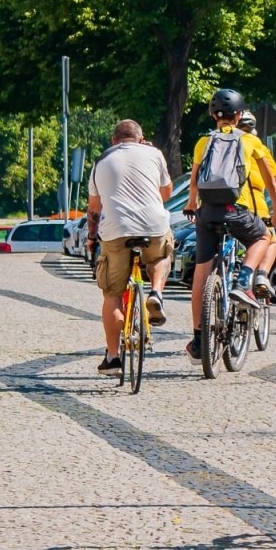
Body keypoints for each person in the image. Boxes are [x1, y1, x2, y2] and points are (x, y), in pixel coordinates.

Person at [184, 88, 276, 362]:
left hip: (208, 213)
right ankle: (244, 281)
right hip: (237, 208)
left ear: (212, 115)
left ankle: (198, 339)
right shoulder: (251, 142)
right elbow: (271, 181)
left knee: (201, 272)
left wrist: (191, 205)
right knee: (263, 237)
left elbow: (194, 181)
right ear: (240, 115)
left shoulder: (203, 141)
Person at [87, 120, 174, 374]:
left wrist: (92, 237)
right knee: (161, 255)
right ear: (141, 138)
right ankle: (156, 292)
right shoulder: (155, 154)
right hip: (153, 226)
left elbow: (95, 209)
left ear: (114, 140)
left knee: (112, 294)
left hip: (116, 231)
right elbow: (166, 194)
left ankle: (113, 358)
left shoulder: (101, 161)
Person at [237, 110, 276, 288]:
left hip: (219, 204)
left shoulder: (215, 142)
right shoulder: (259, 147)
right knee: (270, 238)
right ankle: (262, 276)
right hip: (254, 205)